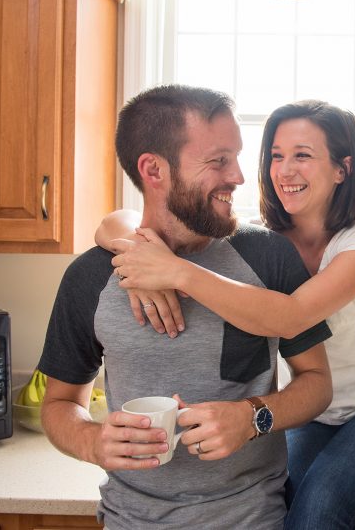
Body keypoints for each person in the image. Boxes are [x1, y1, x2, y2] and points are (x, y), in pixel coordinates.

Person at [96, 99, 355, 530]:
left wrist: (174, 271)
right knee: (280, 501)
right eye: (276, 156)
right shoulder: (263, 242)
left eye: (303, 156)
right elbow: (114, 221)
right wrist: (139, 257)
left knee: (322, 506)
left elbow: (292, 317)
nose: (285, 170)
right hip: (308, 416)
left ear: (342, 168)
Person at [38, 85, 333, 530]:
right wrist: (90, 440)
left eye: (235, 157)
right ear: (154, 170)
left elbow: (317, 383)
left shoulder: (269, 257)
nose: (237, 175)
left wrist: (253, 417)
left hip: (253, 518)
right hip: (129, 519)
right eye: (218, 160)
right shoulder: (91, 277)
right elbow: (59, 402)